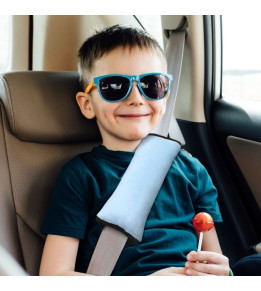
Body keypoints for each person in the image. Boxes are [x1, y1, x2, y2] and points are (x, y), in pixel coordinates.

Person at [39, 25, 230, 276]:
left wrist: (224, 273)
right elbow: (54, 275)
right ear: (87, 105)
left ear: (165, 95)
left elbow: (213, 257)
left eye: (152, 84)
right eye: (115, 86)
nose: (136, 98)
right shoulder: (81, 176)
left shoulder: (192, 171)